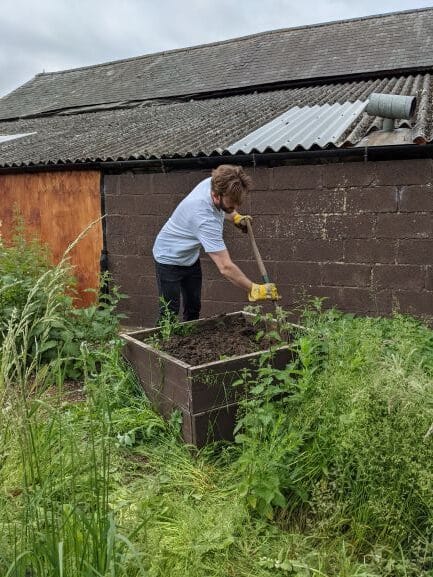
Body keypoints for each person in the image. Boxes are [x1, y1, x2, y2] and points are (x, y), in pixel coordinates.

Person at [152, 164, 280, 322]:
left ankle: (187, 343)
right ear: (215, 196)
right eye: (231, 205)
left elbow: (222, 207)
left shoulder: (216, 182)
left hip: (189, 257)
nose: (235, 207)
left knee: (193, 307)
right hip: (168, 257)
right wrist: (254, 289)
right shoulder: (204, 219)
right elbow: (225, 267)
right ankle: (161, 344)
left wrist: (234, 216)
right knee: (169, 312)